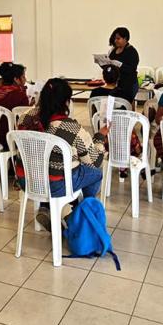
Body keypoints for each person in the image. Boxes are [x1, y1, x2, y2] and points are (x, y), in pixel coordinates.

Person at [18, 78, 108, 231]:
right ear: (67, 102)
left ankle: (48, 207)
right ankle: (82, 214)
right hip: (55, 186)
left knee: (59, 165)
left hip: (27, 180)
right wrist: (100, 136)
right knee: (95, 173)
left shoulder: (25, 117)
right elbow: (94, 161)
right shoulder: (72, 129)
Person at [108, 27, 140, 103]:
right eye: (115, 39)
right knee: (98, 94)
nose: (115, 41)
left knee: (117, 100)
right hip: (115, 84)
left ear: (125, 38)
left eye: (118, 38)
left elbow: (131, 69)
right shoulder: (113, 50)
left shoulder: (132, 52)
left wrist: (119, 65)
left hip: (128, 85)